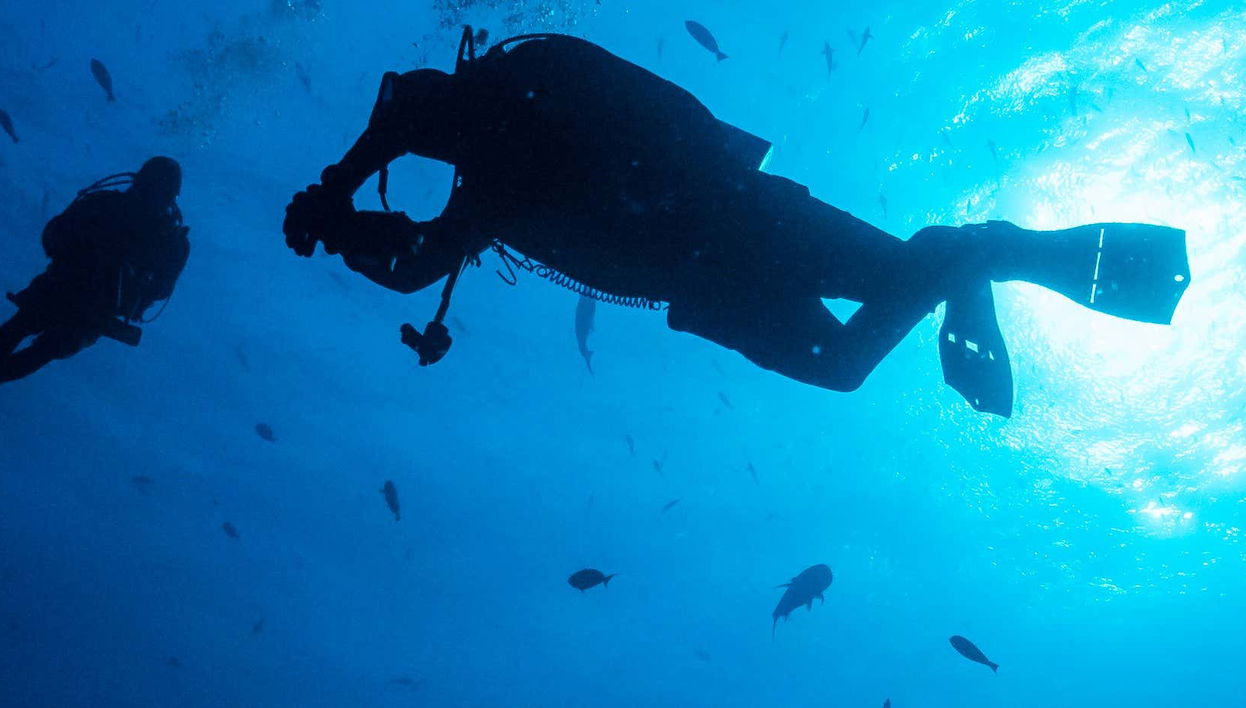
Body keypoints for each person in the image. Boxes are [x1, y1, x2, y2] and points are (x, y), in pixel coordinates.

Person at [282, 31, 1190, 417]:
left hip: (730, 242)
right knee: (847, 360)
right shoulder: (490, 185)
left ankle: (971, 258)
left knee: (844, 362)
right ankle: (971, 257)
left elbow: (406, 111)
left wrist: (336, 190)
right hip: (722, 256)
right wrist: (343, 226)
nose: (421, 136)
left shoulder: (509, 114)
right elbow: (412, 263)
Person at [0, 157, 190, 384]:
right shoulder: (166, 239)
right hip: (72, 293)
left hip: (84, 302)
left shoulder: (109, 207)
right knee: (34, 342)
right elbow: (54, 235)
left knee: (30, 337)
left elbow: (53, 235)